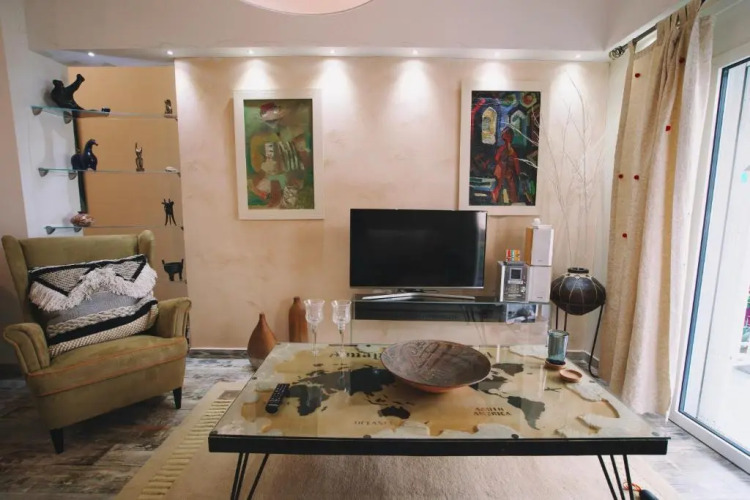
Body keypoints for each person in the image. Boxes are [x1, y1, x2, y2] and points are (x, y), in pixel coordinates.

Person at [491, 127, 521, 204]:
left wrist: (517, 172)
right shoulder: (503, 149)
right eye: (507, 136)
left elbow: (516, 163)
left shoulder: (511, 150)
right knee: (502, 184)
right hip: (501, 170)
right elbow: (497, 158)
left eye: (509, 136)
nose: (509, 138)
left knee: (510, 183)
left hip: (507, 172)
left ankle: (510, 199)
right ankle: (498, 199)